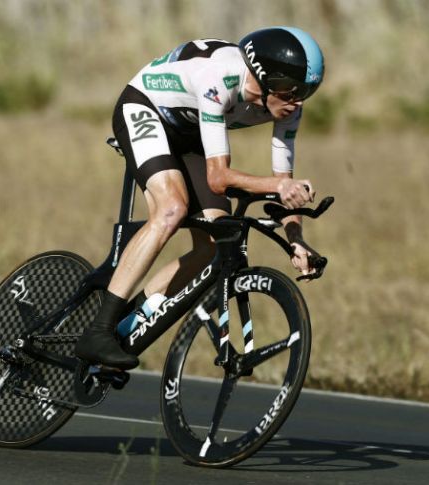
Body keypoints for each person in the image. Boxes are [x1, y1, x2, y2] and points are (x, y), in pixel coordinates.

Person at [75, 26, 325, 370]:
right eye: (292, 90)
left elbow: (284, 182)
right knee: (171, 210)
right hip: (146, 108)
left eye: (307, 92)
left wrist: (296, 239)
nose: (298, 101)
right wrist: (278, 187)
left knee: (214, 241)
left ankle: (128, 325)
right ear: (265, 77)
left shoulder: (287, 109)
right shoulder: (220, 77)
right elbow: (218, 177)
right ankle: (98, 330)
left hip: (188, 128)